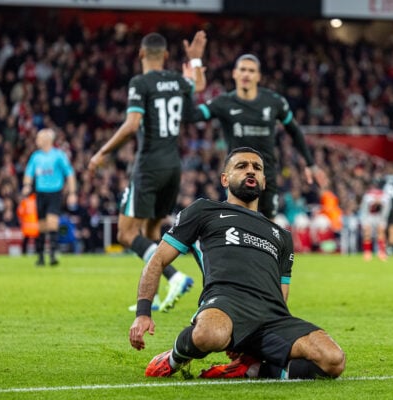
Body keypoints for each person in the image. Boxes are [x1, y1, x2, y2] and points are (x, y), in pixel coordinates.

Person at [129, 147, 346, 380]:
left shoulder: (282, 235)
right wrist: (143, 313)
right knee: (210, 335)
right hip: (225, 304)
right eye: (241, 166)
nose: (250, 171)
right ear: (225, 178)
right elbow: (158, 259)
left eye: (257, 168)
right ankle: (173, 359)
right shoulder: (205, 211)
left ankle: (252, 369)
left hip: (271, 316)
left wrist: (277, 331)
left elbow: (282, 293)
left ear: (263, 181)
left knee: (333, 360)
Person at [88, 31, 207, 312]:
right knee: (151, 233)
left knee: (126, 234)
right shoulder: (178, 81)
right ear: (166, 56)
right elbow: (198, 85)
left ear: (141, 54)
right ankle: (150, 297)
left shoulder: (140, 82)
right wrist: (196, 59)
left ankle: (175, 277)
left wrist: (102, 152)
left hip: (149, 165)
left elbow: (131, 125)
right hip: (173, 166)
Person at [191, 54, 327, 219]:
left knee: (268, 226)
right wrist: (191, 82)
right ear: (235, 73)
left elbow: (294, 130)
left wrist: (311, 164)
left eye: (251, 70)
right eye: (242, 70)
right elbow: (192, 116)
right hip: (238, 175)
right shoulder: (223, 102)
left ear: (258, 76)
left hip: (266, 175)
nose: (246, 74)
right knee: (239, 222)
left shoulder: (274, 102)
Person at [22, 128, 77, 266]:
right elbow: (29, 172)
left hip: (54, 193)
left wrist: (72, 193)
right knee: (41, 226)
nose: (36, 141)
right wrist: (27, 185)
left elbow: (69, 174)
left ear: (47, 140)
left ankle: (52, 255)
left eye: (39, 138)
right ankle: (40, 256)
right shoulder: (36, 156)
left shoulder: (58, 155)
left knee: (52, 223)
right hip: (41, 194)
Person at [359, 186, 391, 261]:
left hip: (380, 216)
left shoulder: (385, 197)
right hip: (368, 215)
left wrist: (383, 220)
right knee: (367, 233)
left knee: (381, 233)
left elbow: (386, 210)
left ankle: (382, 252)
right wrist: (364, 220)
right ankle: (367, 252)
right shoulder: (367, 197)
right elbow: (364, 209)